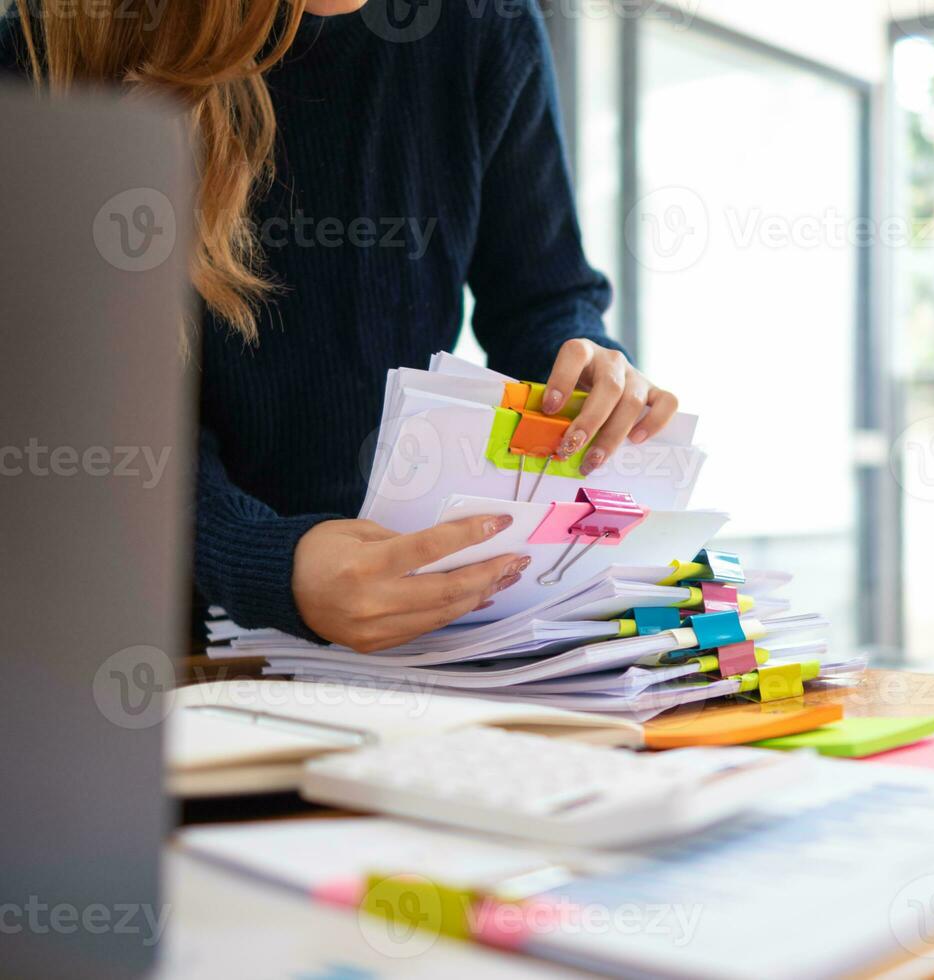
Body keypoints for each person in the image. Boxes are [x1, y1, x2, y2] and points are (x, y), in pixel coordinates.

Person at [2, 0, 677, 652]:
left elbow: (540, 298)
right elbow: (77, 409)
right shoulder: (52, 48)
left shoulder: (485, 24)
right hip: (127, 630)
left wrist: (585, 365)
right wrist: (269, 563)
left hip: (403, 616)